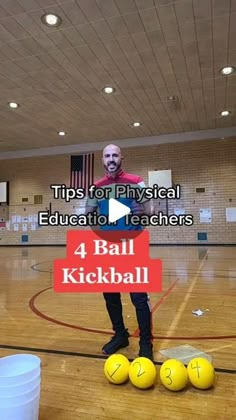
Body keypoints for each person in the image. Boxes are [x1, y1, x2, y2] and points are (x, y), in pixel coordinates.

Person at [85, 144, 154, 360]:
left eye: (115, 155)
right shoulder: (97, 187)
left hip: (133, 247)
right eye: (107, 156)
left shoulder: (136, 181)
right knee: (111, 296)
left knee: (139, 299)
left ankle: (145, 343)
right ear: (102, 160)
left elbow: (151, 210)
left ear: (121, 158)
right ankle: (120, 335)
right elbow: (89, 214)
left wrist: (143, 211)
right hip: (108, 249)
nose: (111, 159)